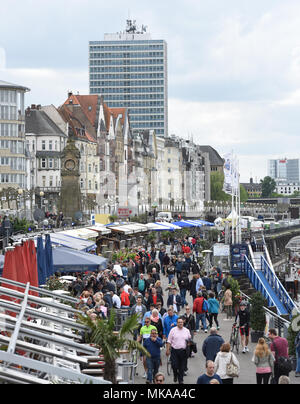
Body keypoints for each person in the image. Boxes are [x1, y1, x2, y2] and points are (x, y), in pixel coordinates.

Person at [166, 317, 191, 384]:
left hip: (183, 351)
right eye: (179, 322)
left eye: (181, 322)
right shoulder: (173, 330)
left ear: (183, 323)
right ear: (177, 323)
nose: (180, 323)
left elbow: (189, 340)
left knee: (182, 367)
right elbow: (169, 341)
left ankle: (181, 380)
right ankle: (175, 375)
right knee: (174, 365)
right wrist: (167, 349)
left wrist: (189, 345)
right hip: (174, 351)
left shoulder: (186, 330)